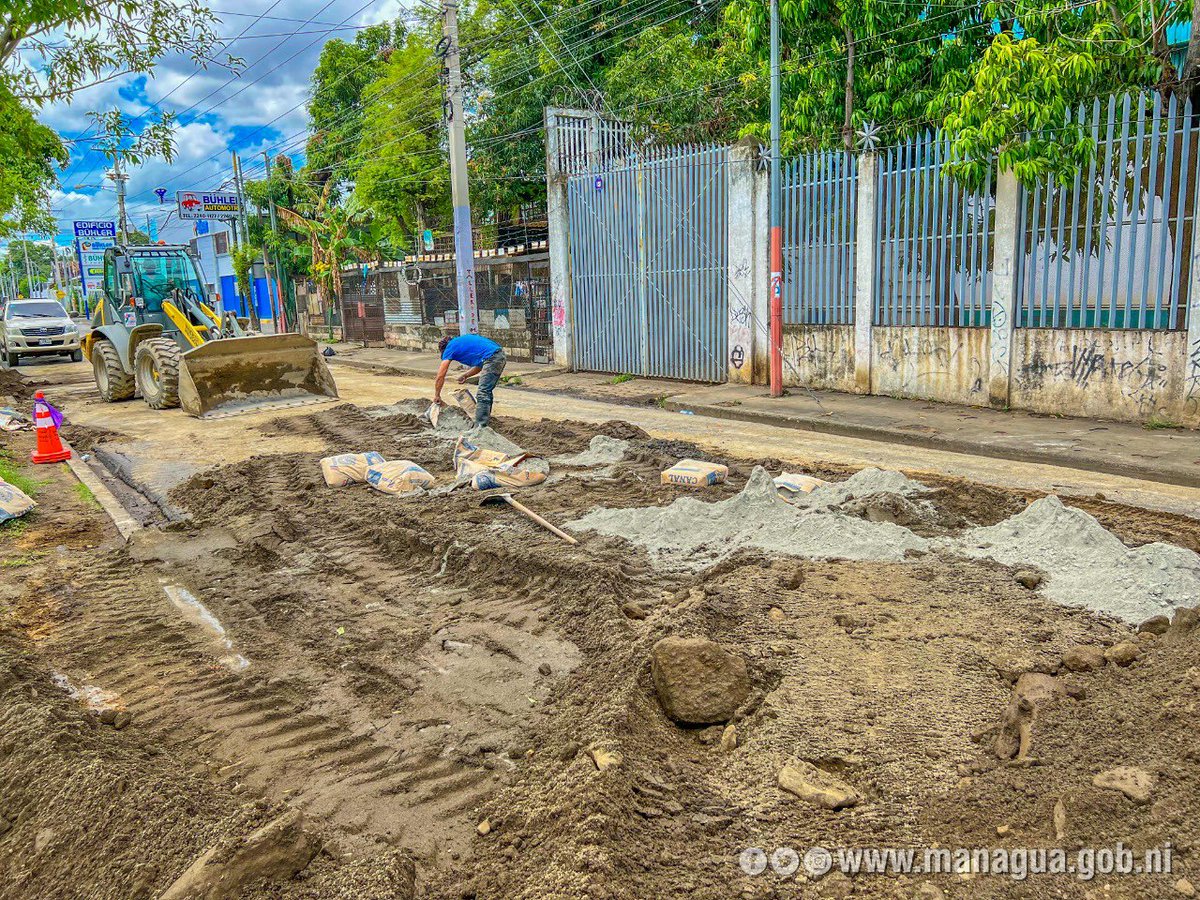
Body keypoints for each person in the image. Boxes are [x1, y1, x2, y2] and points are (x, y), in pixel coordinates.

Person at [434, 333, 506, 427]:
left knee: (483, 392)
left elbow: (440, 375)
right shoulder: (460, 342)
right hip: (498, 355)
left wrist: (437, 395)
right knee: (486, 391)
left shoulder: (450, 347)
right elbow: (480, 365)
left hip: (493, 358)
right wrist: (466, 375)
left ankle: (480, 427)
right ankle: (485, 421)